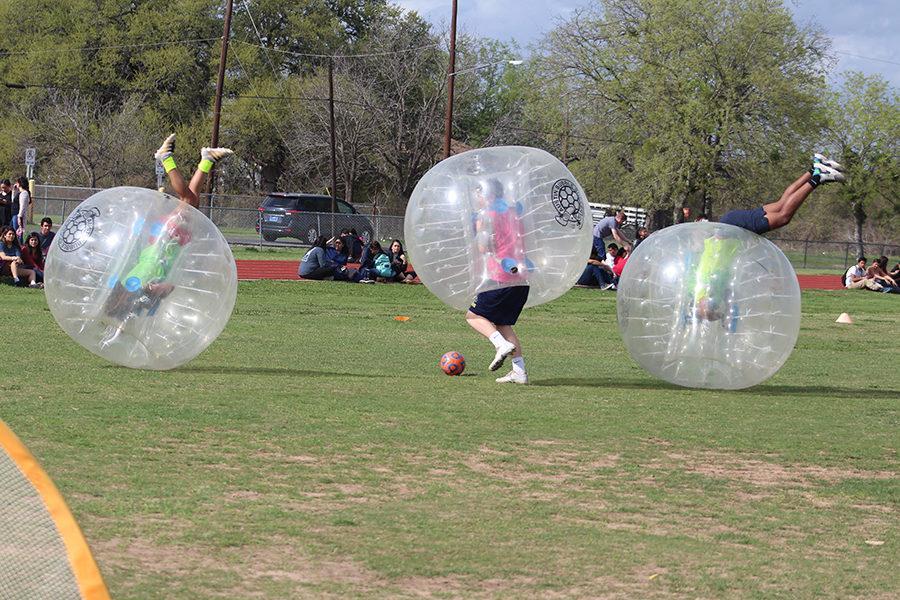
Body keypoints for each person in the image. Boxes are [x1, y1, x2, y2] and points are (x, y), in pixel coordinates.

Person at [102, 135, 232, 335]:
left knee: (187, 199)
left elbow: (166, 285)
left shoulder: (134, 286)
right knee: (193, 201)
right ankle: (206, 159)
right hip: (169, 245)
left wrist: (151, 290)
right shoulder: (138, 291)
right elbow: (168, 286)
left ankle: (165, 157)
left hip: (164, 241)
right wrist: (153, 291)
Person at [466, 178, 530, 384]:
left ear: (488, 194)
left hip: (499, 277)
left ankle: (499, 345)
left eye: (479, 193)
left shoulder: (486, 215)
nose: (476, 197)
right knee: (503, 323)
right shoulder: (513, 213)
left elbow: (483, 248)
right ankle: (519, 372)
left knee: (473, 316)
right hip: (521, 277)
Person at [719, 154, 845, 234]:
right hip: (729, 220)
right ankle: (815, 168)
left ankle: (818, 177)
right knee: (781, 204)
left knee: (783, 217)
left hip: (729, 228)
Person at [12, 177, 30, 243]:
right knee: (13, 232)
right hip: (14, 215)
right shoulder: (20, 193)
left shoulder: (24, 193)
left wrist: (19, 217)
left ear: (20, 183)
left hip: (18, 215)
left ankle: (20, 247)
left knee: (18, 234)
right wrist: (14, 191)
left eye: (17, 182)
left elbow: (22, 206)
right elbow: (13, 201)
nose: (16, 184)